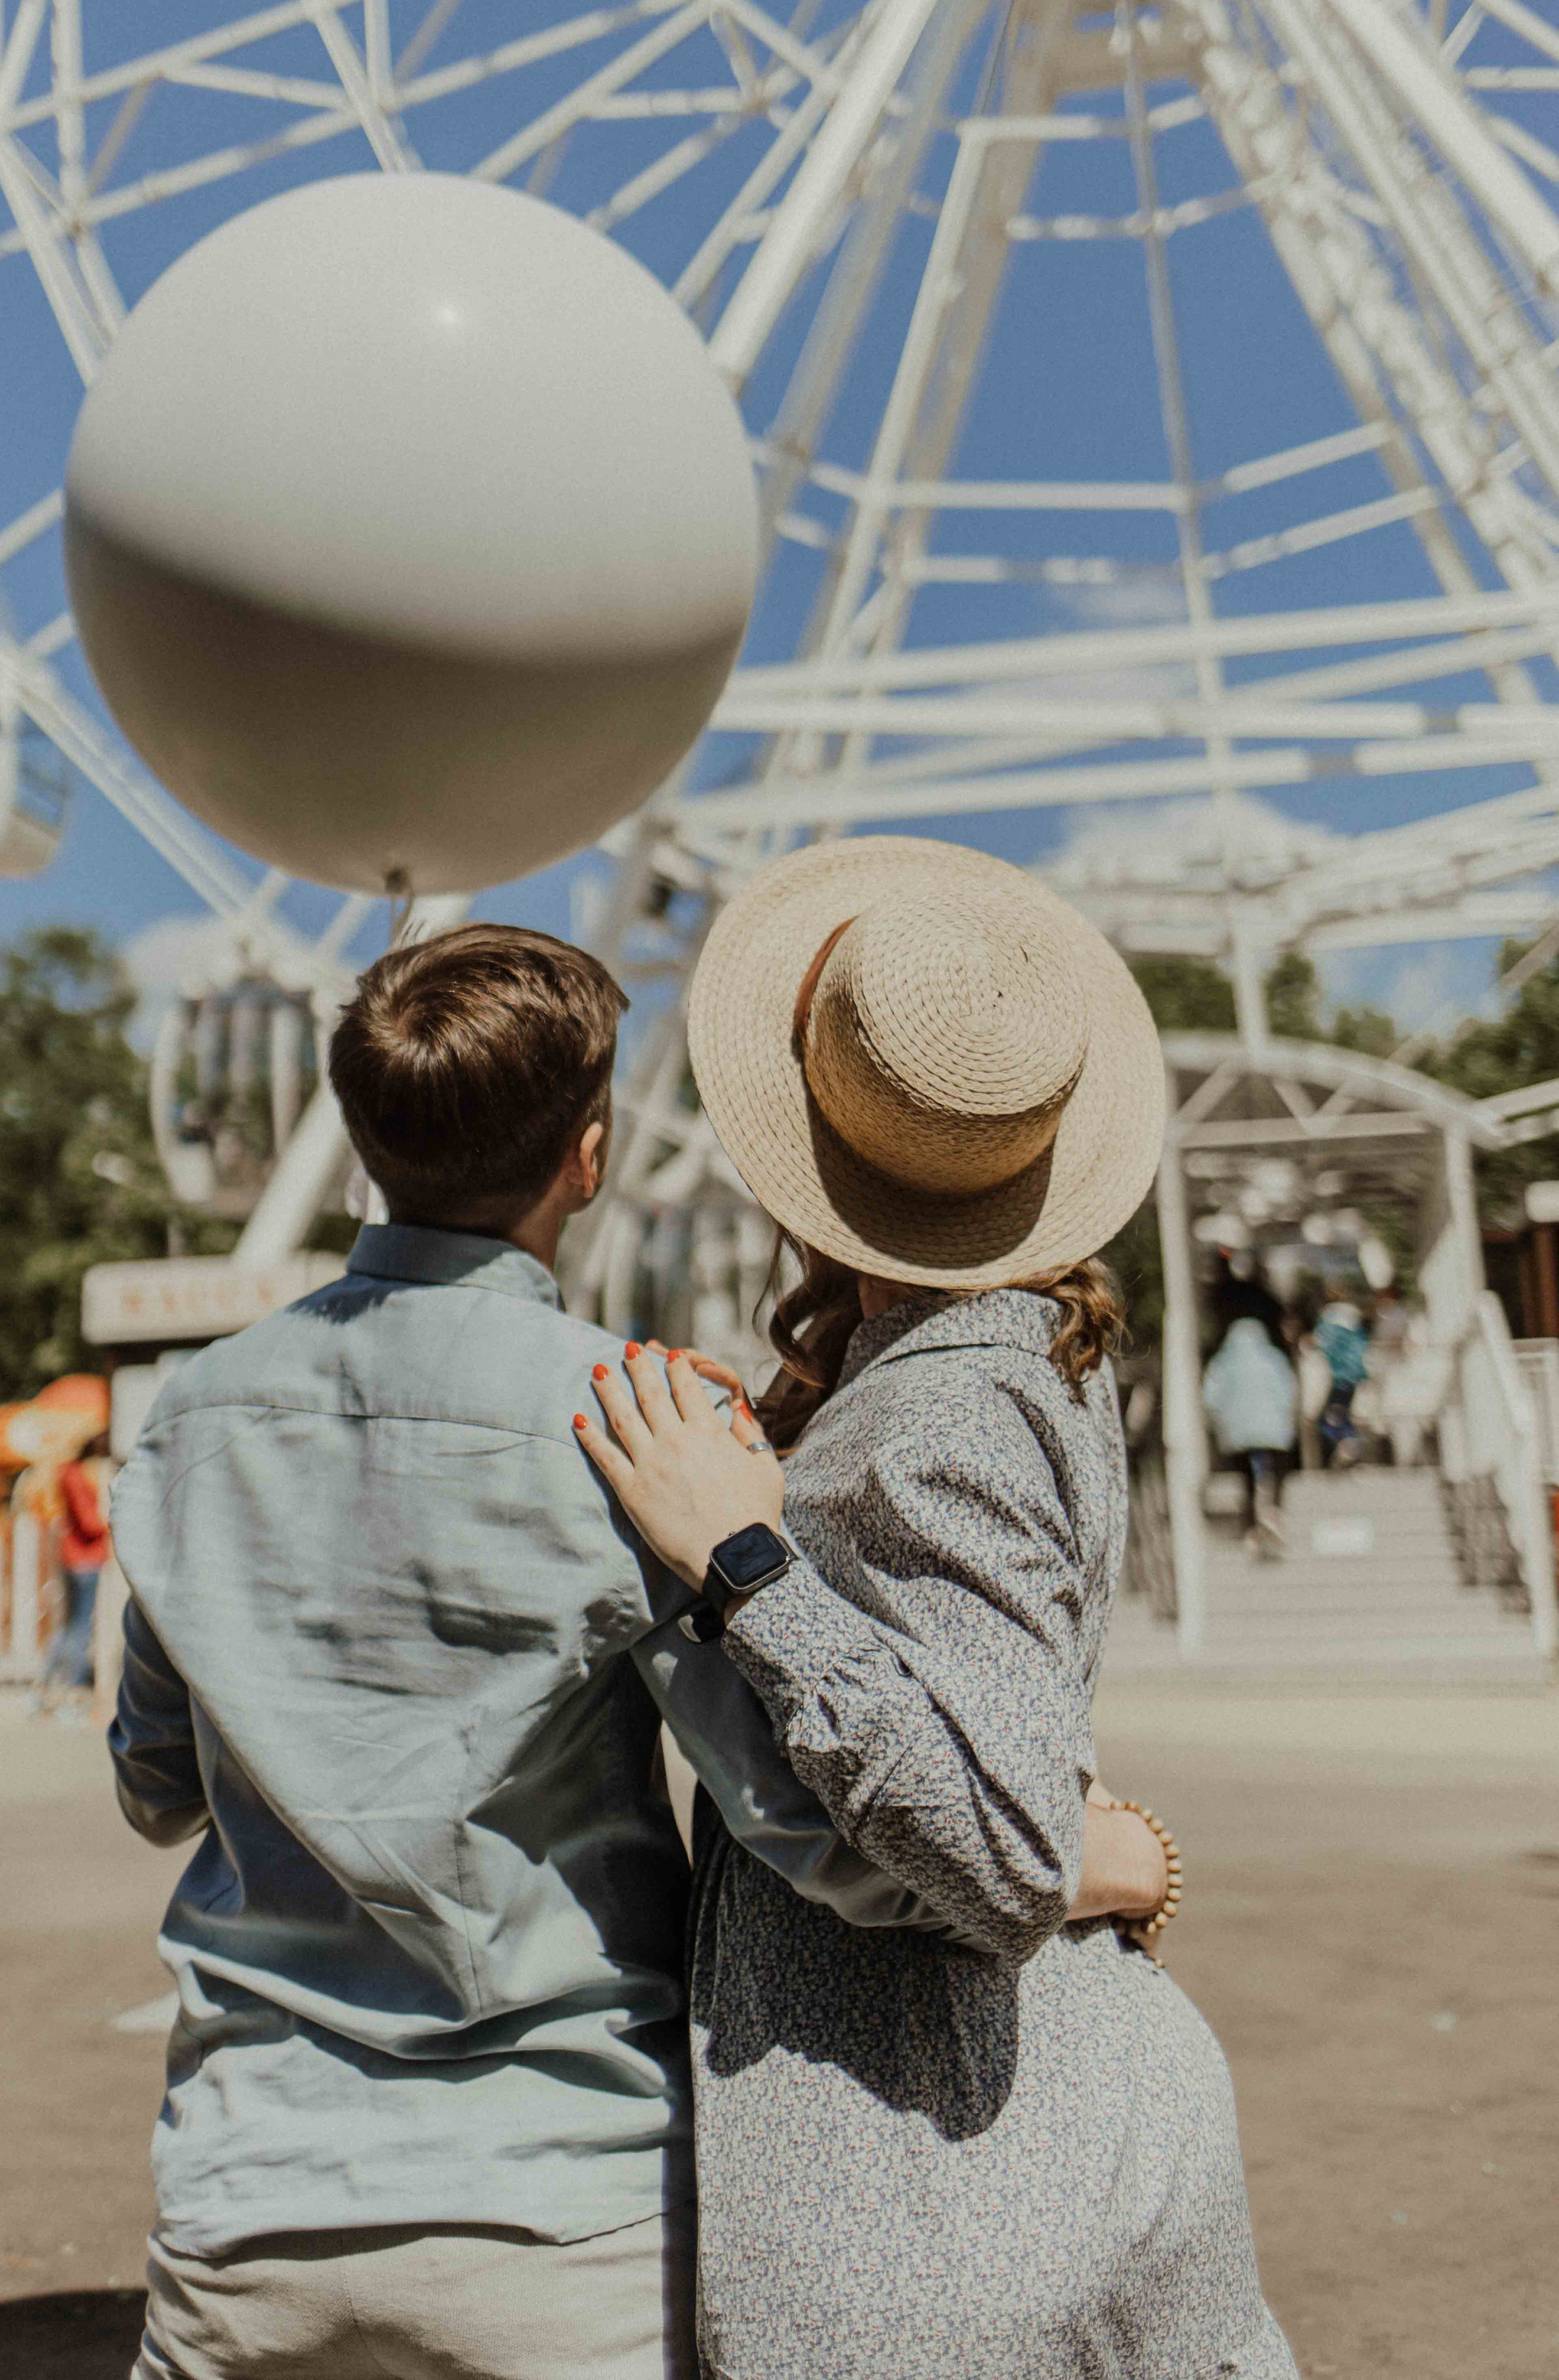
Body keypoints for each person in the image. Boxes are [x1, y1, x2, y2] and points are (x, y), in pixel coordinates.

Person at [106, 922, 1167, 2380]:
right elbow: (804, 1829)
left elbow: (156, 1783)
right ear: (589, 1155)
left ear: (358, 1140)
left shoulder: (190, 1413)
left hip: (247, 2188)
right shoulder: (638, 1422)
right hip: (560, 2201)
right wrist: (1050, 1855)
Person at [573, 837, 1297, 2380]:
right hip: (1047, 2149)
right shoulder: (1021, 1356)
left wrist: (741, 1566)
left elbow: (999, 1843)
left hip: (935, 2191)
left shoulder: (941, 1419)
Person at [1203, 1313, 1300, 1557]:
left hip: (1240, 1433)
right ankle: (1274, 1511)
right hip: (1273, 1429)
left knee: (1247, 1479)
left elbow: (1210, 1397)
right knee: (1277, 1472)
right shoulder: (1273, 1359)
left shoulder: (1223, 1362)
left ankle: (1250, 1525)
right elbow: (1289, 1392)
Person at [38, 1446, 110, 1720]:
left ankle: (48, 1684)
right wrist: (113, 1522)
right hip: (85, 1559)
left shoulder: (67, 1474)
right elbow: (89, 1522)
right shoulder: (75, 1476)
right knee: (80, 1627)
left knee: (70, 1625)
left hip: (75, 1558)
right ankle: (71, 1689)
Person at [1314, 1291, 1370, 1468]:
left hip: (1336, 1376)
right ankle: (1348, 1449)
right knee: (1341, 1414)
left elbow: (1324, 1345)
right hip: (1353, 1375)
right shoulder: (1354, 1321)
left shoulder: (1329, 1321)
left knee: (1332, 1417)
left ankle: (1348, 1449)